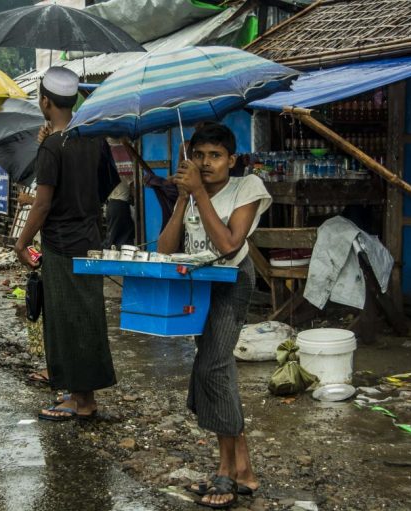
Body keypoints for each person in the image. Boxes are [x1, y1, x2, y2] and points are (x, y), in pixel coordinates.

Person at [157, 122, 272, 509]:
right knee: (217, 369)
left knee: (212, 368)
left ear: (232, 160)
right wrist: (180, 198)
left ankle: (226, 468)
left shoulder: (248, 187)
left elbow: (228, 244)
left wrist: (200, 194)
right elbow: (166, 248)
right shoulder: (191, 193)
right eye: (200, 155)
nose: (207, 163)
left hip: (233, 281)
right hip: (198, 285)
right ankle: (244, 469)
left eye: (216, 156)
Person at [15, 67, 118, 421]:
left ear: (45, 102)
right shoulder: (94, 139)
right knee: (87, 316)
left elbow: (43, 203)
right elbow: (106, 186)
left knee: (67, 320)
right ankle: (81, 393)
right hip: (90, 237)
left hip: (60, 243)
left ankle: (81, 399)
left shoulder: (51, 147)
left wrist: (21, 242)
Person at [102, 140, 135, 249]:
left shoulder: (112, 171)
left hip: (111, 205)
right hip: (120, 206)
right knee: (121, 240)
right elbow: (134, 190)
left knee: (114, 238)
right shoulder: (127, 173)